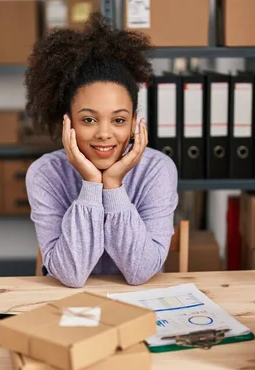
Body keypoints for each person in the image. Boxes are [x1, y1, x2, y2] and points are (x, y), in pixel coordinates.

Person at [24, 12, 179, 288]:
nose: (104, 133)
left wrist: (114, 186)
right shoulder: (45, 174)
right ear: (68, 121)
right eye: (89, 120)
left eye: (118, 120)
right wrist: (92, 183)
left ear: (134, 123)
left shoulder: (158, 170)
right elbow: (71, 275)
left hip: (140, 306)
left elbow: (139, 271)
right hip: (68, 311)